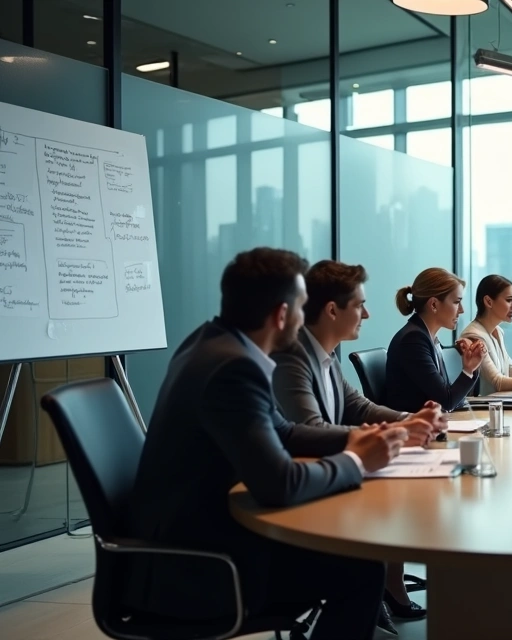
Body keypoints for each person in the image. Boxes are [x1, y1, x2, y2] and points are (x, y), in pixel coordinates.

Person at [128, 248, 435, 640]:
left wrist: (362, 438)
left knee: (357, 559)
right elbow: (279, 484)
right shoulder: (234, 368)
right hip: (196, 565)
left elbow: (285, 432)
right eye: (302, 305)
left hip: (191, 533)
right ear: (281, 315)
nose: (306, 316)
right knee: (360, 568)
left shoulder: (215, 344)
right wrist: (357, 461)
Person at [271, 259, 444, 629]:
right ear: (332, 310)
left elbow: (354, 404)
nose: (367, 313)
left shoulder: (325, 351)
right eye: (360, 305)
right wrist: (384, 436)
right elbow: (309, 429)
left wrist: (406, 420)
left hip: (321, 485)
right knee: (364, 565)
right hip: (299, 504)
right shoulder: (292, 356)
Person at [384, 267, 487, 413]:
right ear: (433, 305)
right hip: (418, 432)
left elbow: (451, 398)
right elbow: (446, 401)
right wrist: (469, 369)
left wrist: (471, 366)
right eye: (457, 302)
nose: (461, 310)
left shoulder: (426, 337)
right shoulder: (413, 340)